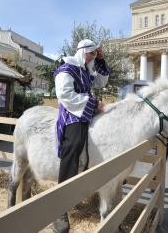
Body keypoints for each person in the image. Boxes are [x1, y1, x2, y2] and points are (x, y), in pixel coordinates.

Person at [53, 39, 110, 233]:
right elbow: (65, 95)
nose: (92, 57)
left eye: (95, 54)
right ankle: (59, 209)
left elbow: (101, 81)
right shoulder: (66, 69)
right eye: (91, 53)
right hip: (71, 113)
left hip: (86, 109)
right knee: (74, 144)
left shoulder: (86, 70)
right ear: (82, 51)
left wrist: (101, 61)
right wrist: (93, 104)